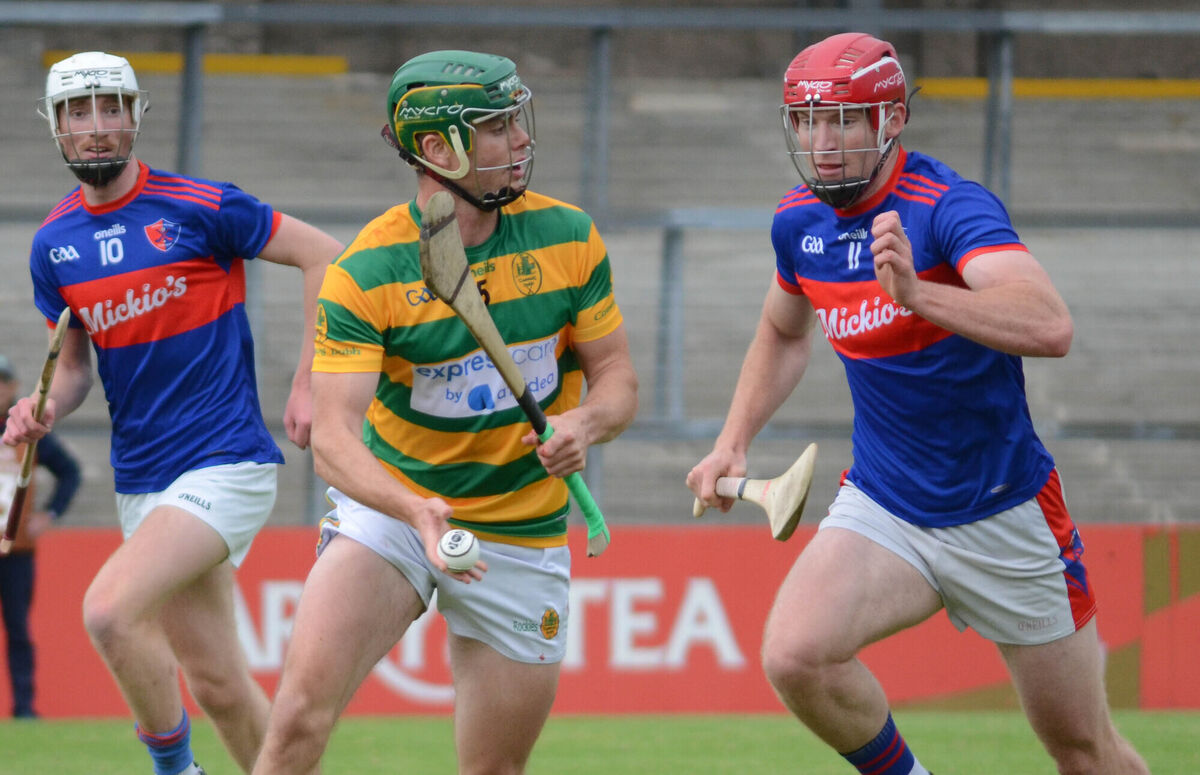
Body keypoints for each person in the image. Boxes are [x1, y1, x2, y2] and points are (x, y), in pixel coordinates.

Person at [687, 32, 1148, 775]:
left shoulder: (946, 206)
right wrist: (733, 440)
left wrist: (918, 294)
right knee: (796, 654)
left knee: (1084, 752)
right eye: (806, 121)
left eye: (841, 119)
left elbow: (1049, 324)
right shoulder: (798, 223)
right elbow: (781, 330)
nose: (821, 142)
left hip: (1006, 515)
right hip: (888, 505)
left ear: (891, 119)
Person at [252, 50, 638, 774]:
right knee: (298, 718)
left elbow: (617, 379)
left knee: (493, 768)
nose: (521, 139)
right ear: (437, 148)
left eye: (515, 119)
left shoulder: (569, 237)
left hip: (522, 529)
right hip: (394, 510)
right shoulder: (368, 268)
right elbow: (334, 439)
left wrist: (585, 425)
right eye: (496, 126)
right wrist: (415, 507)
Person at [2, 52, 342, 774]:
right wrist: (42, 409)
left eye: (109, 108)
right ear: (56, 128)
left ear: (134, 115)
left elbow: (325, 255)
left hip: (226, 459)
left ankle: (173, 768)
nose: (95, 128)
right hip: (143, 481)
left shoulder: (202, 205)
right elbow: (71, 371)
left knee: (107, 610)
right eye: (78, 113)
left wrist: (312, 380)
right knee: (219, 685)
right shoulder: (53, 247)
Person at [0, 353, 82, 719]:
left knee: (18, 628)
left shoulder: (25, 431)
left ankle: (24, 707)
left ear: (13, 387)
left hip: (17, 550)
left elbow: (70, 471)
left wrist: (49, 513)